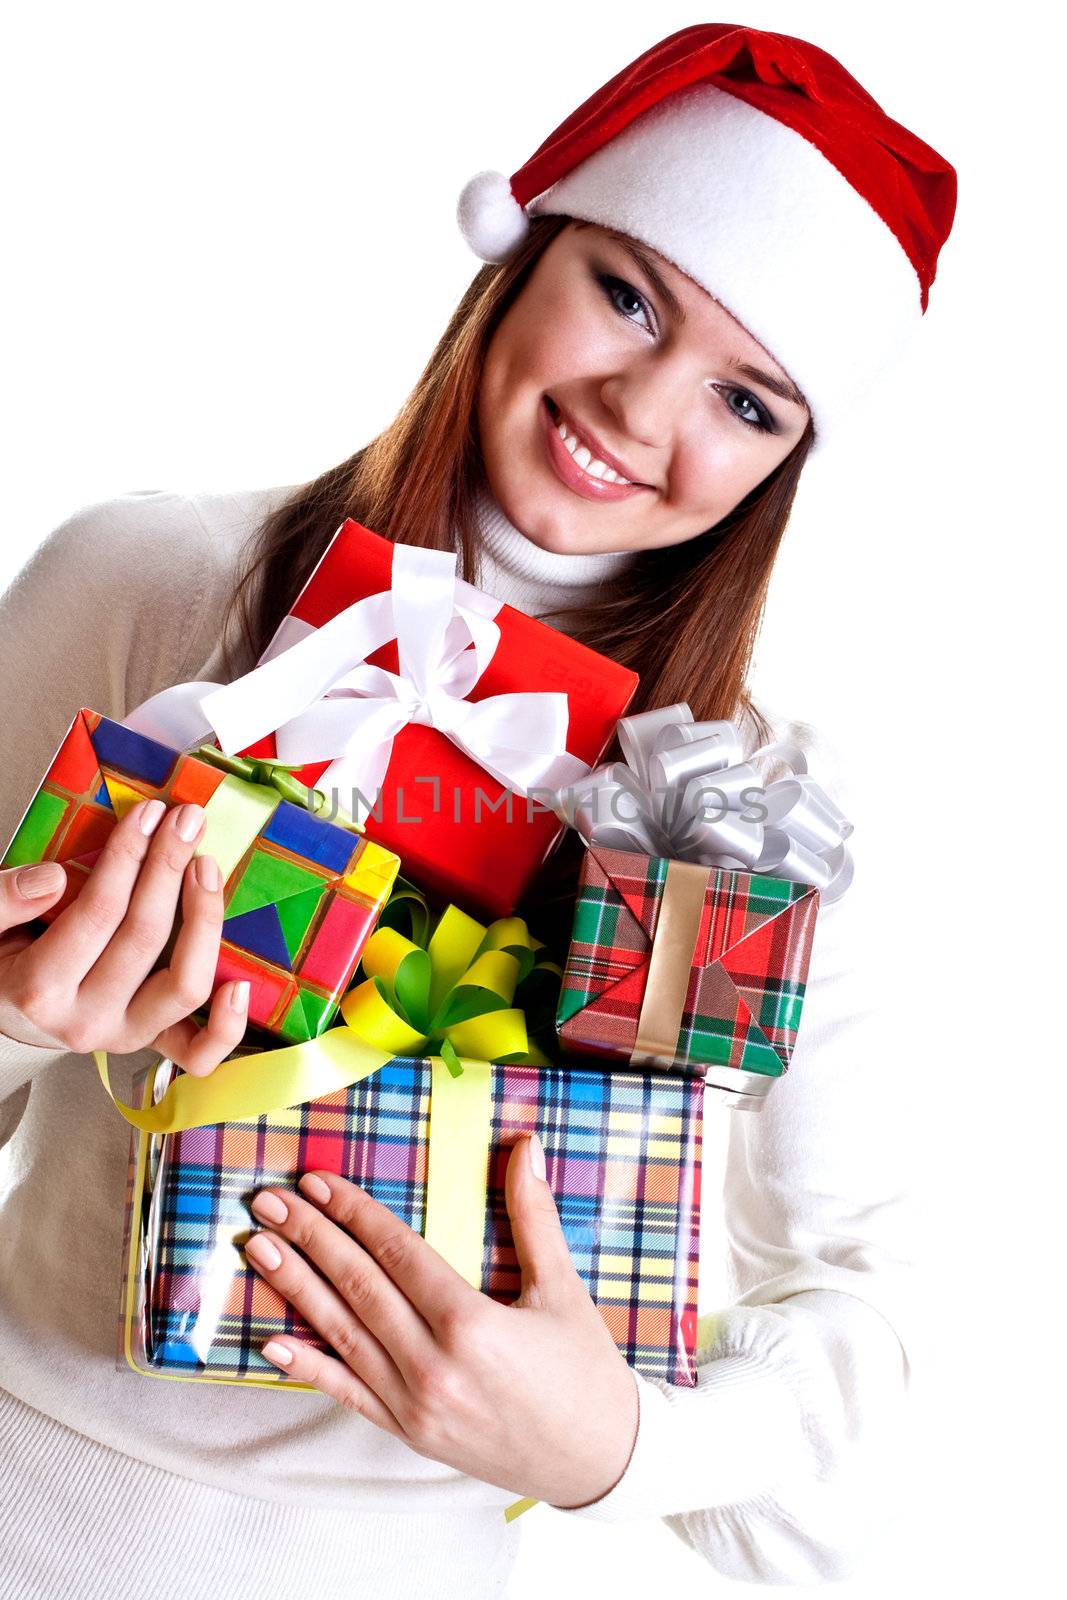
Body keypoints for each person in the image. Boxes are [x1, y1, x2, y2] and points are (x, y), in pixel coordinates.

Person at [0, 22, 956, 1599]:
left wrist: (621, 1446)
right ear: (522, 258)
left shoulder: (758, 827)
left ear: (787, 463)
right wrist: (19, 1022)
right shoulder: (150, 586)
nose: (644, 410)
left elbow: (875, 1341)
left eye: (749, 399)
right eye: (629, 294)